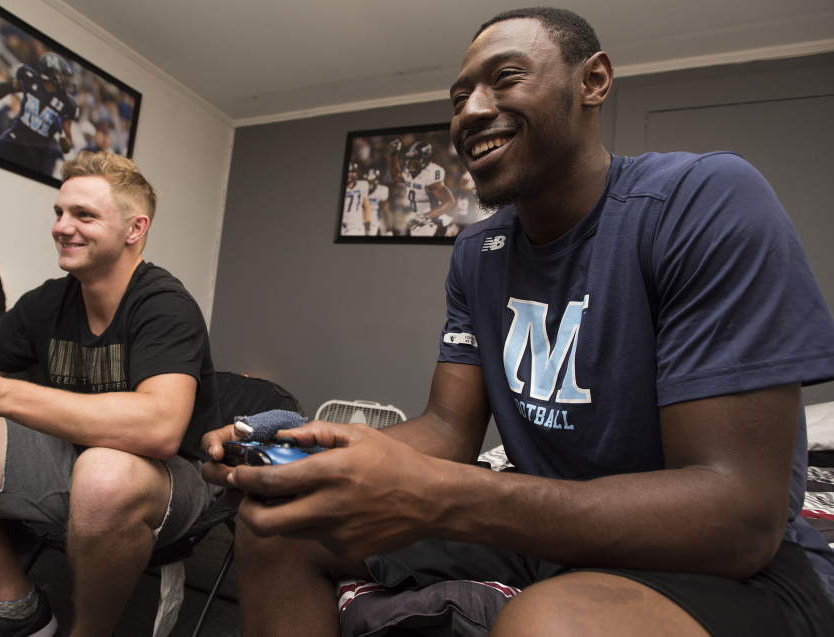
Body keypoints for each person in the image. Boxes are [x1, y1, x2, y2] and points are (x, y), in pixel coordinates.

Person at [201, 7, 834, 637]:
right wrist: (309, 453)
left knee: (548, 623)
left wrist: (445, 495)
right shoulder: (477, 252)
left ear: (593, 81)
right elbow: (449, 429)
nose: (471, 111)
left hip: (720, 564)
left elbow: (738, 517)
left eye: (505, 78)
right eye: (458, 97)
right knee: (279, 526)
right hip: (541, 528)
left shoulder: (702, 201)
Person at [0, 151, 221, 636]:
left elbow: (159, 429)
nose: (62, 227)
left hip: (164, 483)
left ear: (134, 229)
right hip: (73, 461)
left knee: (105, 472)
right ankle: (18, 607)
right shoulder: (47, 301)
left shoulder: (164, 305)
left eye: (84, 215)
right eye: (59, 213)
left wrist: (1, 395)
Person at [0, 51, 79, 176]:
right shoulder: (31, 80)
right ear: (51, 71)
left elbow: (67, 147)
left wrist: (62, 133)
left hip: (36, 155)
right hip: (14, 139)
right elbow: (4, 88)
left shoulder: (66, 105)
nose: (66, 79)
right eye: (63, 75)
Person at [387, 138, 456, 236]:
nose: (411, 161)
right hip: (419, 221)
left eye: (415, 158)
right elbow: (395, 176)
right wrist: (393, 155)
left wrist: (426, 216)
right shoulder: (410, 173)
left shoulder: (430, 174)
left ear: (425, 157)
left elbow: (449, 202)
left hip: (433, 222)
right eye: (410, 158)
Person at [341, 161, 372, 236]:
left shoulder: (363, 185)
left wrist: (367, 227)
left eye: (351, 172)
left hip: (357, 225)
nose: (349, 174)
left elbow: (366, 207)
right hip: (343, 225)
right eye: (348, 172)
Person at [365, 168, 391, 236]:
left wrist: (389, 227)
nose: (370, 183)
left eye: (372, 180)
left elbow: (386, 210)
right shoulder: (361, 188)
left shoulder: (382, 190)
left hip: (376, 217)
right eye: (368, 180)